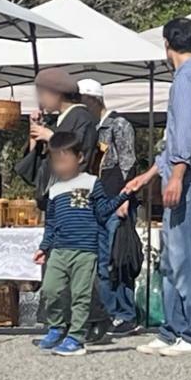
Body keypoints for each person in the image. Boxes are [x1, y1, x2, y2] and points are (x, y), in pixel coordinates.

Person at [121, 18, 191, 357]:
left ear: (167, 44)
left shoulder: (185, 82)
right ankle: (172, 329)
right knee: (173, 257)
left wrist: (176, 176)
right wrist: (149, 175)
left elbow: (185, 138)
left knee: (188, 259)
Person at [32, 132, 121, 357]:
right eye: (56, 161)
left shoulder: (92, 183)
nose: (60, 165)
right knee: (51, 289)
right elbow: (50, 224)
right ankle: (56, 326)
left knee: (81, 294)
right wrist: (44, 247)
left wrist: (123, 197)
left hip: (85, 250)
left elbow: (102, 211)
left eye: (64, 160)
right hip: (59, 250)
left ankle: (76, 337)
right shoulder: (54, 189)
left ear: (79, 157)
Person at [79, 78, 140, 338]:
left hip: (117, 200)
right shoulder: (90, 128)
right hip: (98, 201)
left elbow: (128, 161)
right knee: (102, 262)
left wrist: (125, 197)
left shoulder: (119, 124)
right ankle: (109, 312)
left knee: (119, 258)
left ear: (93, 99)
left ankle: (126, 314)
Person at [12, 68, 97, 207]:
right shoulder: (57, 121)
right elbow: (39, 166)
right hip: (54, 195)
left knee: (77, 226)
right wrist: (35, 135)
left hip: (74, 196)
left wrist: (51, 137)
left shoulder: (82, 118)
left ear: (55, 94)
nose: (40, 100)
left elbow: (82, 157)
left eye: (42, 94)